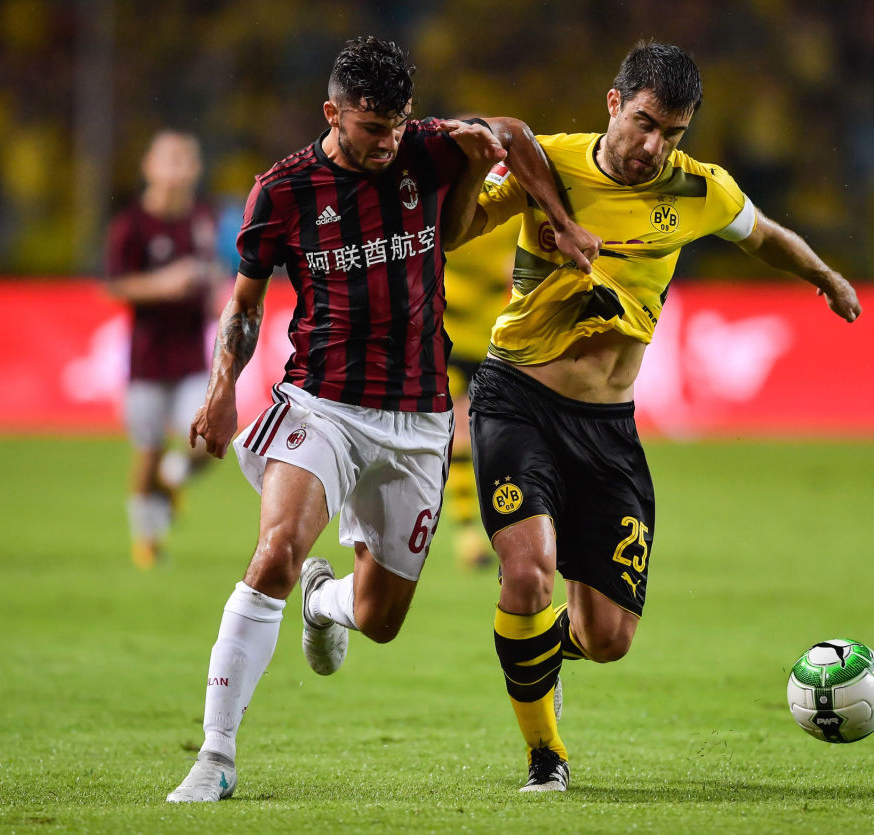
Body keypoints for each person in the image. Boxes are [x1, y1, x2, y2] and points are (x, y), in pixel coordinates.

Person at [165, 36, 598, 803]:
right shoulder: (284, 190)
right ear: (333, 113)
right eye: (372, 127)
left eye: (398, 123)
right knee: (274, 551)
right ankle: (216, 754)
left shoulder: (425, 150)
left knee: (380, 618)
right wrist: (222, 388)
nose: (388, 140)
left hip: (419, 419)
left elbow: (512, 132)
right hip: (322, 403)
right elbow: (244, 304)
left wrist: (555, 218)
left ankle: (323, 603)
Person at [458, 41, 862, 792]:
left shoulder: (698, 189)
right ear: (614, 104)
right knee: (528, 572)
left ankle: (535, 652)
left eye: (672, 133)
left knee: (608, 638)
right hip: (517, 399)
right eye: (644, 123)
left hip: (609, 426)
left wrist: (826, 276)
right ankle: (546, 755)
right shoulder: (550, 165)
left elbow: (766, 236)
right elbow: (460, 220)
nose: (654, 147)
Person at [104, 130, 222, 569]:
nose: (175, 170)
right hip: (147, 359)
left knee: (207, 439)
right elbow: (113, 285)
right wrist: (163, 283)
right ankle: (147, 539)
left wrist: (216, 298)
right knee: (148, 449)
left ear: (194, 170)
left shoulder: (202, 219)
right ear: (149, 167)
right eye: (167, 160)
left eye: (184, 161)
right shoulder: (131, 225)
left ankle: (172, 480)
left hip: (192, 356)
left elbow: (213, 273)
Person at [441, 213, 518, 569]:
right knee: (459, 427)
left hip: (494, 335)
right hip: (448, 329)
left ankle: (506, 526)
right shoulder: (456, 197)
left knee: (499, 434)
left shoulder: (515, 205)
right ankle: (468, 532)